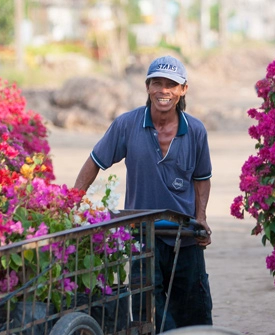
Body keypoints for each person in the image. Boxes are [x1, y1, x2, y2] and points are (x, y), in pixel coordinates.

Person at [74, 55, 213, 332]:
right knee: (147, 312)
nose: (164, 90)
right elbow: (94, 162)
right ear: (147, 87)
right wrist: (70, 203)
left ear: (183, 90)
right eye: (157, 83)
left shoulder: (195, 130)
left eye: (171, 85)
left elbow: (201, 178)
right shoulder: (127, 124)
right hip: (141, 238)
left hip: (183, 237)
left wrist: (201, 217)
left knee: (193, 311)